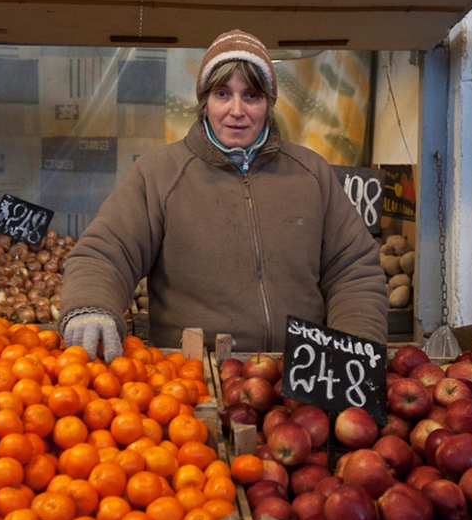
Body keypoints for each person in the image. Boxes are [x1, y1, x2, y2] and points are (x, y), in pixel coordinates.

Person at [58, 29, 388, 361]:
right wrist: (92, 305)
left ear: (269, 103)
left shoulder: (311, 173)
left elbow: (353, 268)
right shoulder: (158, 173)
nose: (236, 110)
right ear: (204, 101)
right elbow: (104, 253)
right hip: (192, 378)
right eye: (222, 93)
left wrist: (354, 346)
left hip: (297, 377)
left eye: (251, 96)